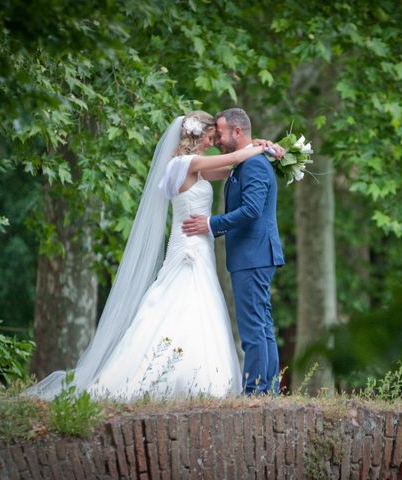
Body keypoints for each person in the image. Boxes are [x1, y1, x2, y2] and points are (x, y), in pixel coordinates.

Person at [26, 111, 277, 401]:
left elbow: (230, 169)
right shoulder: (188, 164)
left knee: (201, 310)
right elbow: (233, 161)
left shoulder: (190, 167)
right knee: (182, 306)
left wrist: (258, 146)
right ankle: (182, 381)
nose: (214, 142)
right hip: (189, 247)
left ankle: (231, 384)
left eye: (217, 136)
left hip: (199, 247)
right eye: (211, 136)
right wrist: (263, 147)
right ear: (198, 135)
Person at [182, 108, 285, 395]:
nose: (217, 140)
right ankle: (267, 391)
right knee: (261, 326)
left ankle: (256, 391)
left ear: (237, 132)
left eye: (222, 133)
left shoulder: (253, 166)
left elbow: (252, 210)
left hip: (254, 256)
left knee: (254, 329)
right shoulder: (246, 162)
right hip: (253, 255)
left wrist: (212, 224)